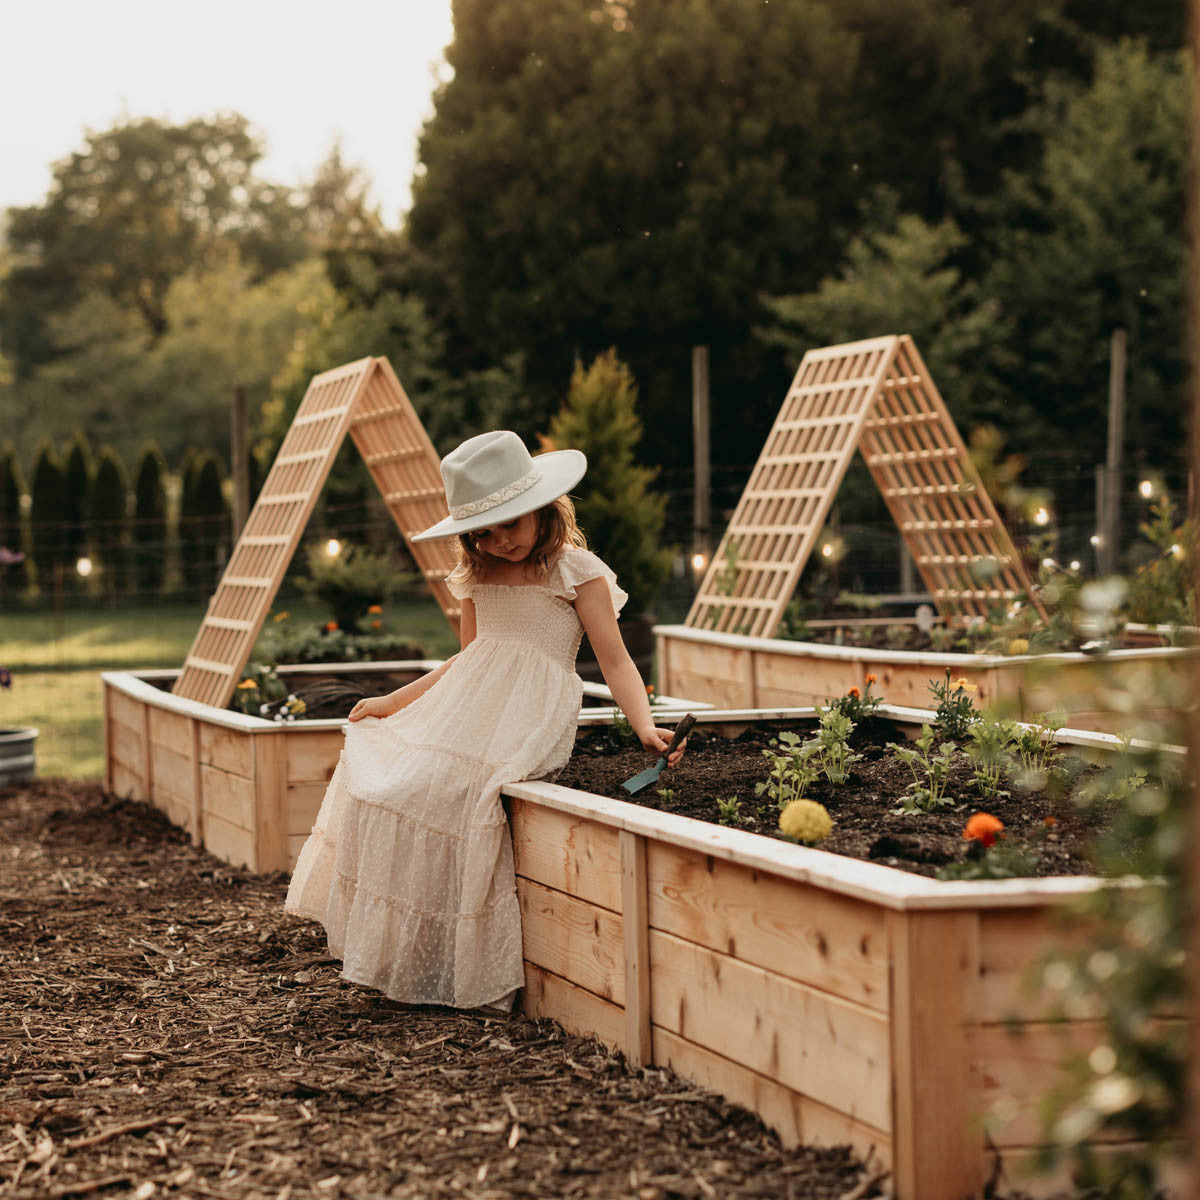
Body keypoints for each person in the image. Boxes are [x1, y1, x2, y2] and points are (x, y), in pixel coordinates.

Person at [285, 430, 686, 1011]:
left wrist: (644, 725)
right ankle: (414, 947)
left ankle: (460, 956)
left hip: (529, 712)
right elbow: (468, 659)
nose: (499, 542)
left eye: (511, 525)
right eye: (483, 532)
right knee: (395, 786)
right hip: (472, 707)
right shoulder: (476, 577)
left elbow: (615, 658)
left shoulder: (576, 571)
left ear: (544, 512)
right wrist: (393, 702)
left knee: (463, 794)